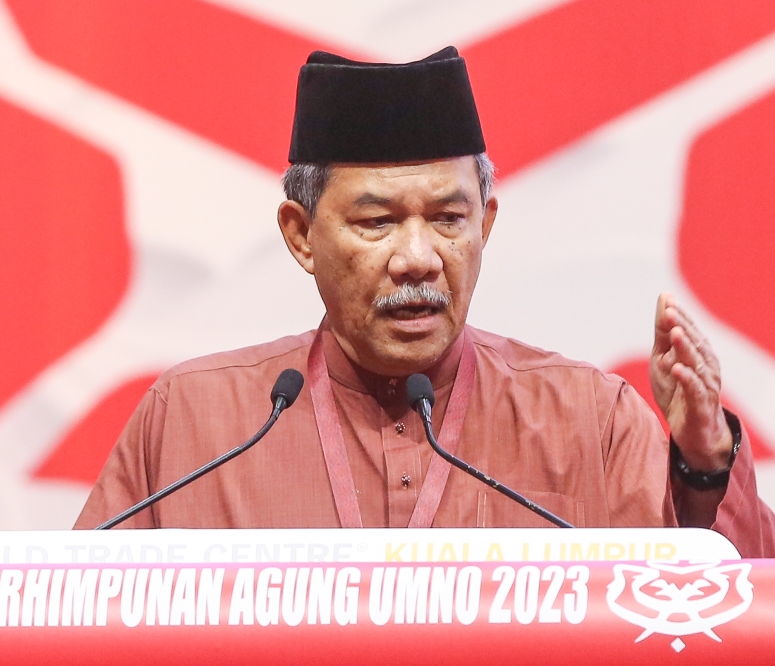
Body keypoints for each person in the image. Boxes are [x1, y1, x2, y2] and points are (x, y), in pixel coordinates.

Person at [75, 48, 774, 557]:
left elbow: (731, 623)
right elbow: (68, 623)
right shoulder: (196, 425)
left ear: (485, 226)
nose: (418, 257)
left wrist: (705, 465)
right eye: (377, 222)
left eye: (447, 218)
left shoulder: (591, 421)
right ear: (301, 236)